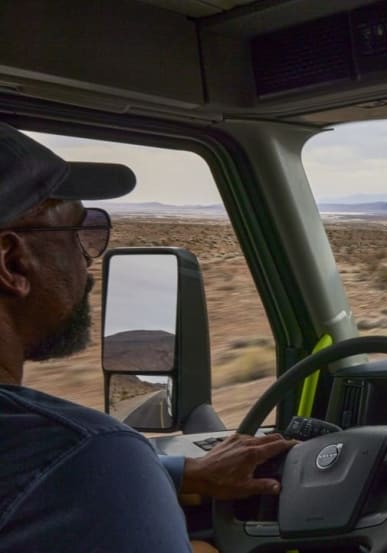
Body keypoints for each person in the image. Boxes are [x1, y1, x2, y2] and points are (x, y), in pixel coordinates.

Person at [0, 123, 295, 552]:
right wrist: (122, 469)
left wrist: (181, 473)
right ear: (12, 262)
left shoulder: (69, 465)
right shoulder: (84, 459)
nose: (89, 265)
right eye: (79, 232)